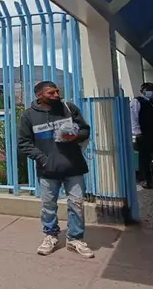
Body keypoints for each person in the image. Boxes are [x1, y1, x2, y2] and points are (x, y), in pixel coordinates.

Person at [18, 81, 95, 259]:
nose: (56, 95)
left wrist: (75, 136)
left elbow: (85, 130)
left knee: (76, 204)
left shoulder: (69, 108)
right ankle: (50, 236)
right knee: (48, 206)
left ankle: (75, 238)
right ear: (39, 95)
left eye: (57, 91)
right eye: (51, 93)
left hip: (73, 167)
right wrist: (44, 160)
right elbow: (24, 143)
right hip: (48, 170)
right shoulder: (29, 115)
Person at [130, 82, 153, 189]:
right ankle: (144, 179)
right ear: (142, 91)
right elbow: (133, 117)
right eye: (148, 89)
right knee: (144, 157)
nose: (151, 92)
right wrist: (137, 132)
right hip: (144, 134)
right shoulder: (137, 101)